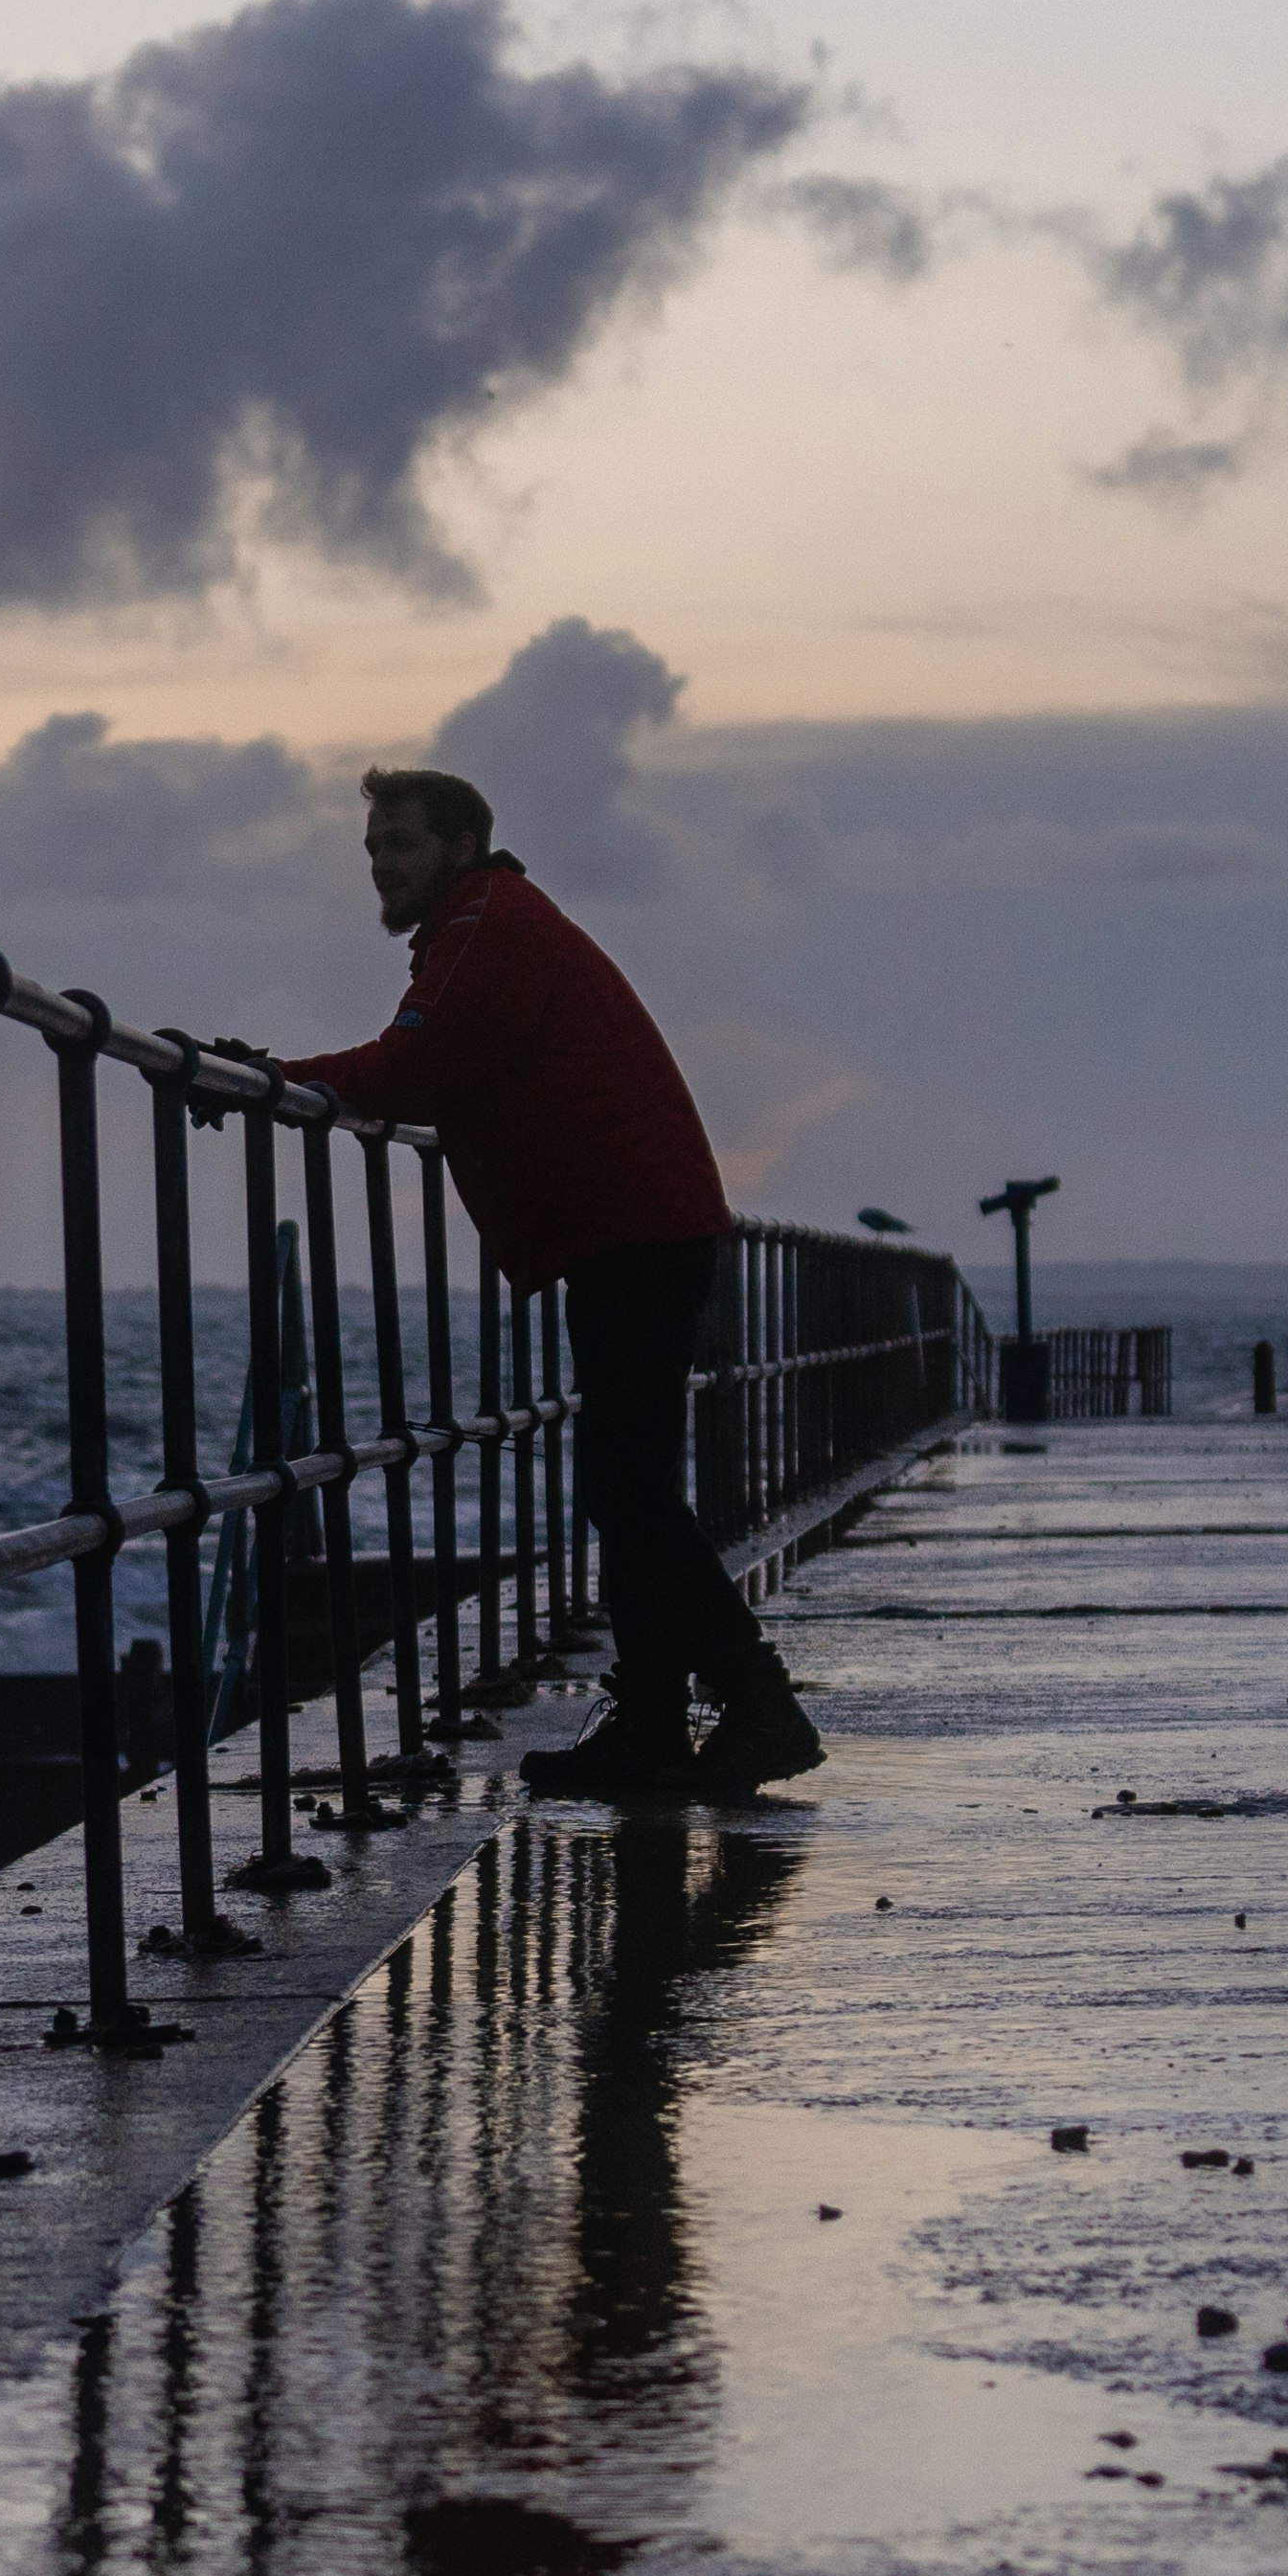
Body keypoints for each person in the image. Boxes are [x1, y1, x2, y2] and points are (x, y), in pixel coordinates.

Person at [260, 766, 825, 1805]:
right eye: (375, 847)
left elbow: (414, 1069)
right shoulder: (482, 922)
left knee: (628, 1488)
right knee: (631, 1484)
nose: (383, 864)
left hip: (634, 1228)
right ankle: (655, 1725)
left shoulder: (489, 925)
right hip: (628, 1227)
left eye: (404, 844)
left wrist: (273, 1080)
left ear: (463, 846)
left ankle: (757, 1702)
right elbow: (432, 1067)